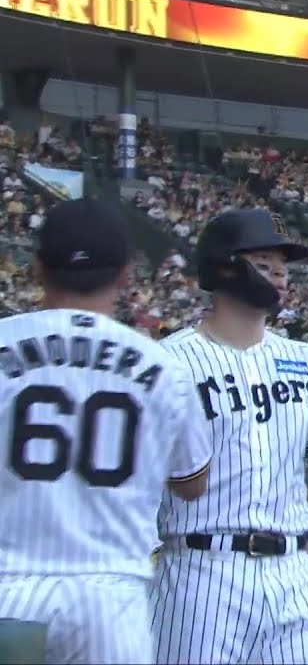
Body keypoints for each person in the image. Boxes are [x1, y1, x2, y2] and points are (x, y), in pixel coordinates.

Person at [149, 208, 308, 665]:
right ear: (223, 267)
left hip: (292, 569)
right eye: (265, 264)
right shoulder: (169, 361)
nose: (280, 276)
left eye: (283, 267)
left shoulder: (302, 357)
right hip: (202, 568)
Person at [0, 198, 213, 664]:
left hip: (8, 587)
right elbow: (193, 484)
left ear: (37, 268)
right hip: (109, 596)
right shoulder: (165, 368)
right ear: (124, 275)